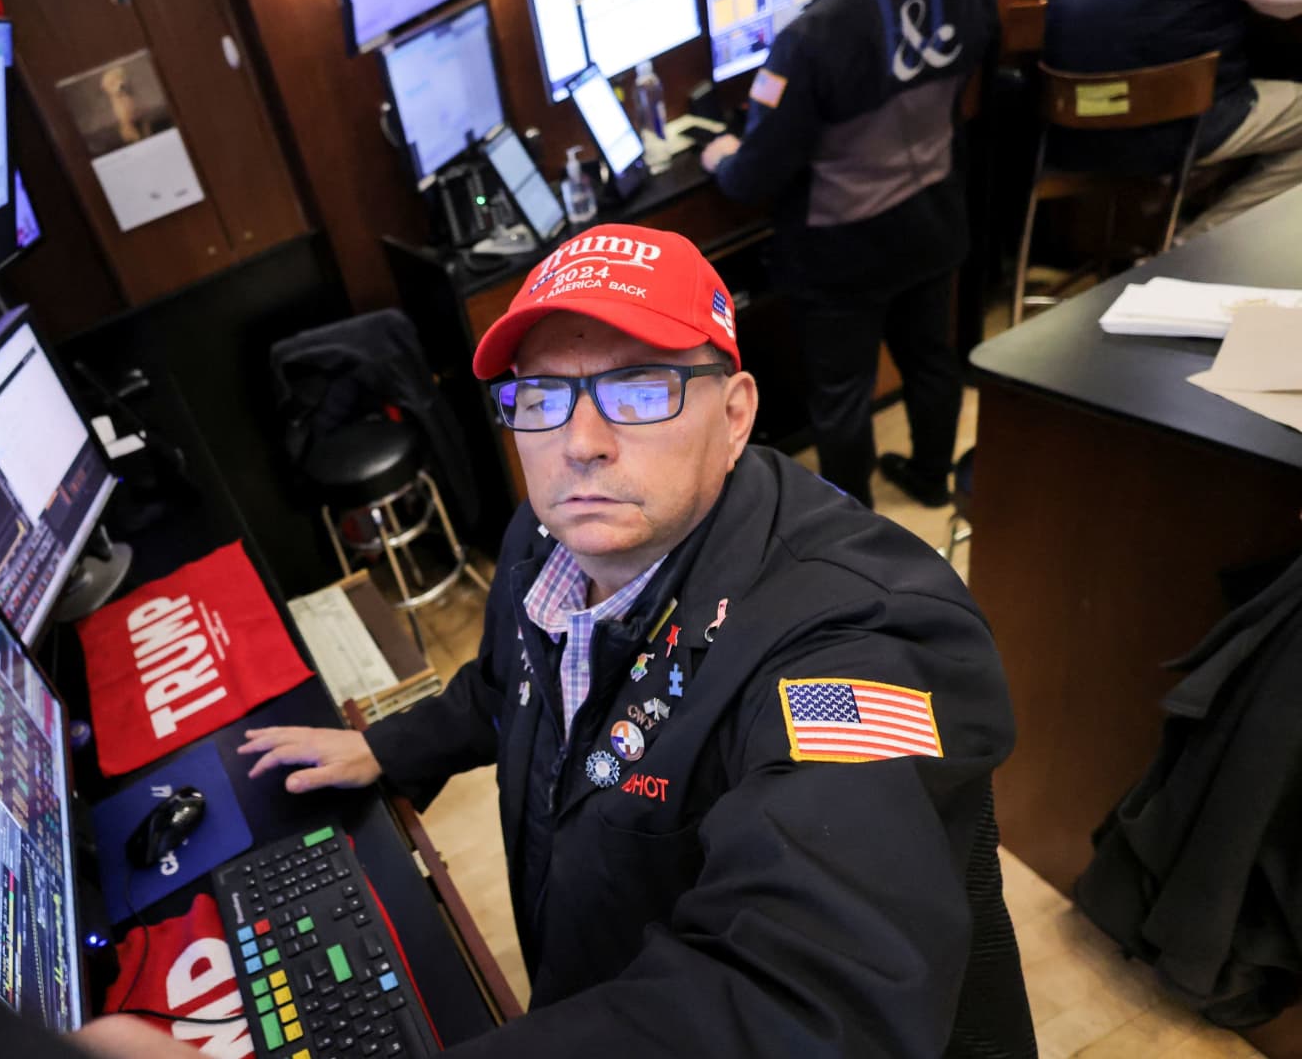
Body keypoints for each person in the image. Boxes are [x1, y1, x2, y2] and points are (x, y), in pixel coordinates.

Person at [75, 225, 1035, 1057]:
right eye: (541, 396)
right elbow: (512, 684)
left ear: (735, 414)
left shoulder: (859, 633)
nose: (579, 441)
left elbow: (803, 997)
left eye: (638, 388)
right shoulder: (554, 535)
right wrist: (389, 746)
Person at [698, 0, 997, 508]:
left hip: (845, 250)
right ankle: (931, 479)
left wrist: (722, 156)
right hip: (934, 216)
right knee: (931, 360)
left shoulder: (810, 35)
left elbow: (752, 179)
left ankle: (854, 526)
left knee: (843, 399)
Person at [1043, 0, 1302, 240]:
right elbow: (1288, 3)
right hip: (1165, 132)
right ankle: (1193, 249)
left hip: (1068, 135)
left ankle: (1170, 227)